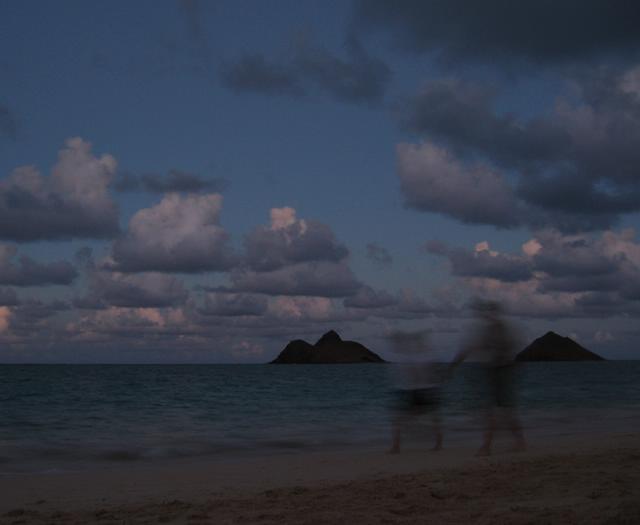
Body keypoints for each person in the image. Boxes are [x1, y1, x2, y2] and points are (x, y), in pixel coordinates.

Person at [451, 300, 526, 456]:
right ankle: (516, 442)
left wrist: (454, 365)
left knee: (496, 410)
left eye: (485, 312)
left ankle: (488, 446)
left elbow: (476, 348)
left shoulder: (496, 329)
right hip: (497, 372)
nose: (483, 315)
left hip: (500, 372)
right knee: (503, 410)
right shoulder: (494, 328)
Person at [388, 331, 443, 454]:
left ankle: (396, 446)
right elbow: (435, 373)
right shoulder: (423, 356)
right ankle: (437, 442)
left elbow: (416, 374)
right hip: (422, 390)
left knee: (399, 419)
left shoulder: (414, 357)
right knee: (431, 417)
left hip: (415, 391)